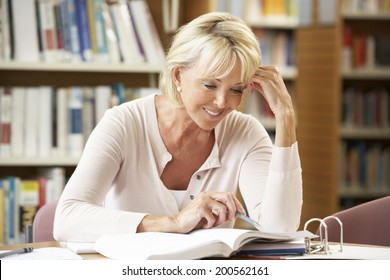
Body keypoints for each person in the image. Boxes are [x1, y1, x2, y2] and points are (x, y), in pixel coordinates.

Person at [53, 12, 302, 242]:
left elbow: (280, 229)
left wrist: (286, 115)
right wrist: (173, 223)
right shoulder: (125, 123)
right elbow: (67, 219)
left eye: (236, 89)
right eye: (210, 85)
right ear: (177, 76)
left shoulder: (246, 132)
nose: (222, 102)